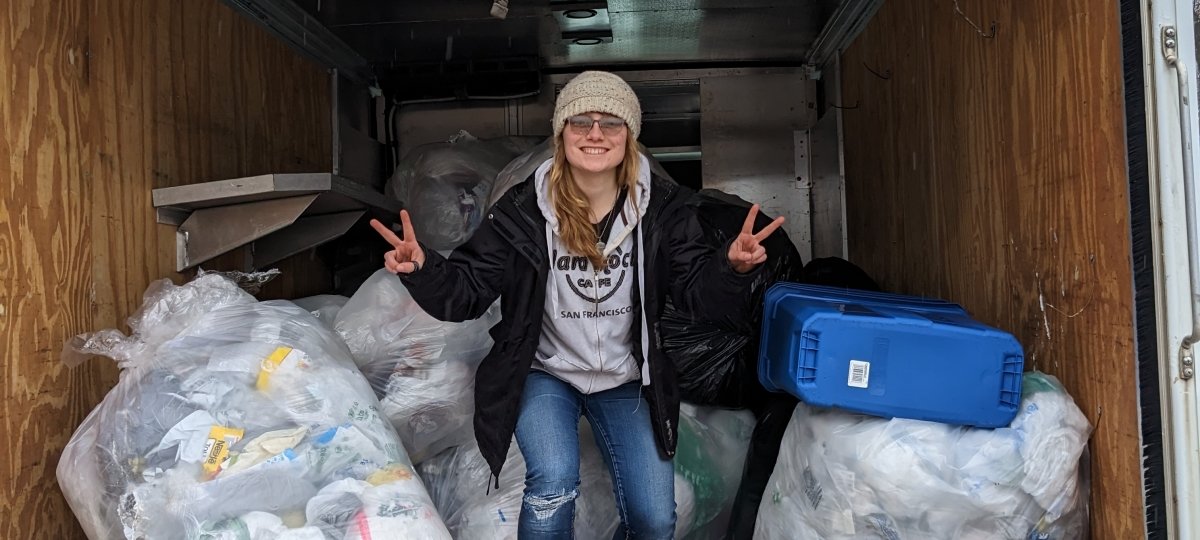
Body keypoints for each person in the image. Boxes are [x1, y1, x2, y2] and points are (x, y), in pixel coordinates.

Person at [370, 70, 784, 539]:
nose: (594, 134)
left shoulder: (665, 212)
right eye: (580, 121)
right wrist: (422, 268)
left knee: (655, 518)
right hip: (546, 373)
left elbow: (696, 296)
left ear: (629, 136)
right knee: (552, 483)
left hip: (628, 378)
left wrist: (732, 269)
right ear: (561, 133)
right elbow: (467, 292)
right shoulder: (523, 212)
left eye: (611, 123)